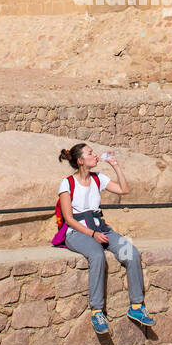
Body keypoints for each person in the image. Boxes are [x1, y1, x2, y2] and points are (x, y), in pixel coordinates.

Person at [57, 142, 154, 334]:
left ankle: (136, 306)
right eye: (90, 153)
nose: (95, 155)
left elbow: (123, 190)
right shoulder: (67, 183)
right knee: (97, 256)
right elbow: (68, 218)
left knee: (131, 252)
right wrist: (92, 234)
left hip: (101, 228)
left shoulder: (98, 178)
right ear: (80, 160)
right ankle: (97, 311)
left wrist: (115, 166)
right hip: (77, 232)